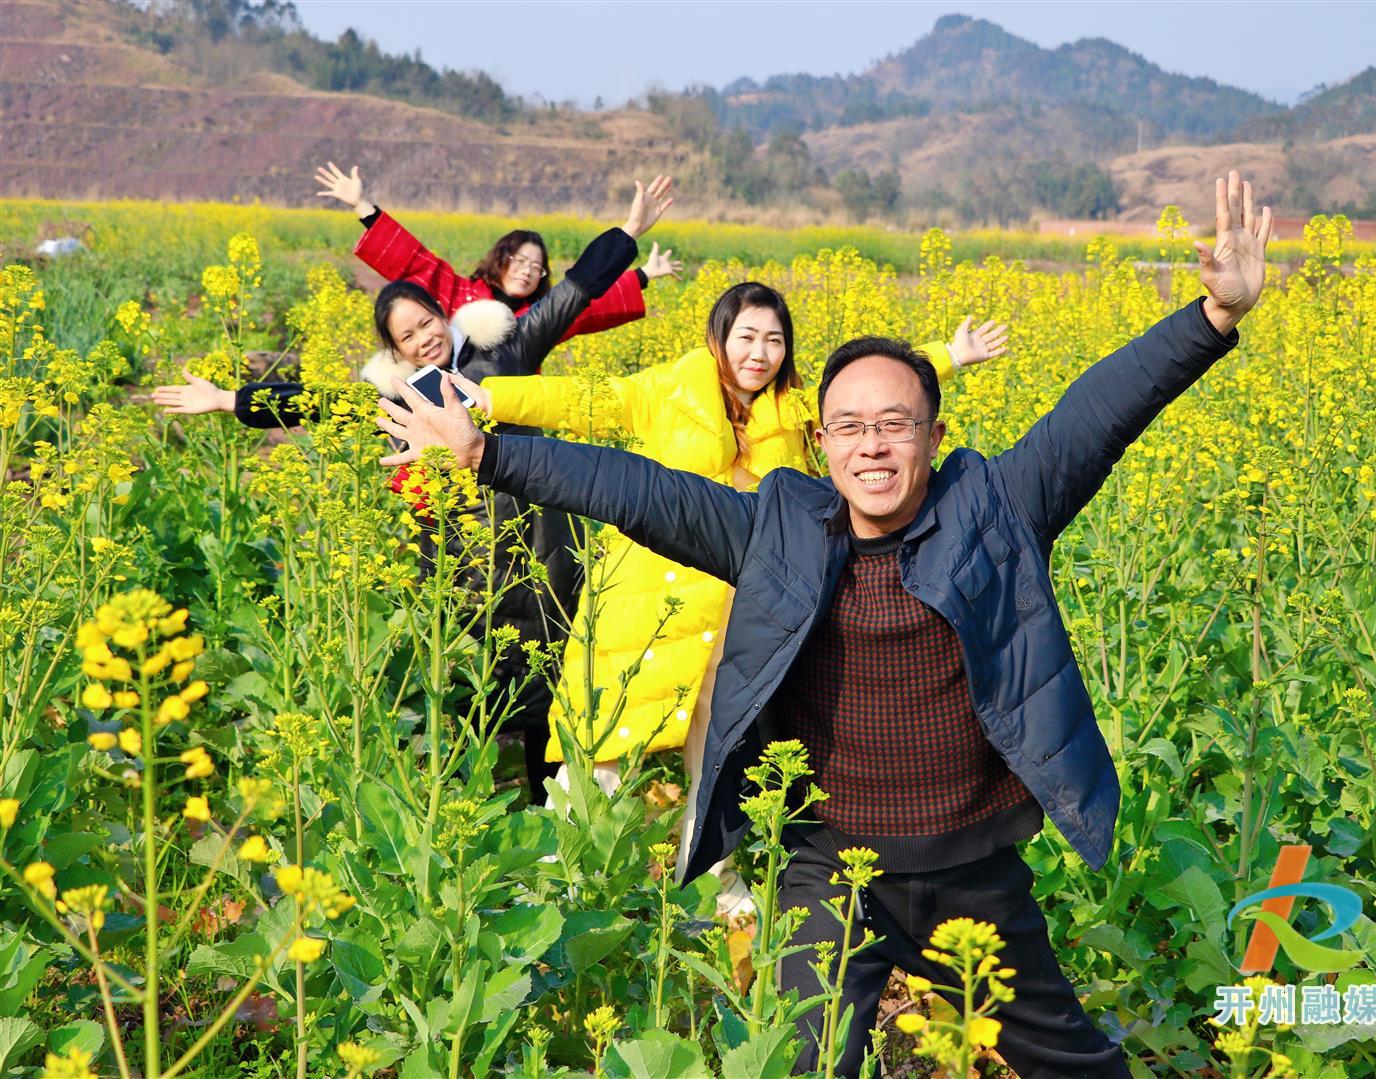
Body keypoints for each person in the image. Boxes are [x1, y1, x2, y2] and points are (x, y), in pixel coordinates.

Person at [373, 171, 1271, 1078]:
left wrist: (1213, 317)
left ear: (933, 432)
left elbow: (1099, 412)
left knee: (1069, 1062)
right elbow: (635, 488)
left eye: (894, 424)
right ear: (823, 440)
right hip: (829, 869)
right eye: (848, 426)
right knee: (800, 1061)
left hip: (971, 868)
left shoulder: (996, 503)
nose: (871, 445)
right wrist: (488, 453)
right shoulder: (778, 526)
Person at [466, 281, 1007, 913]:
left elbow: (870, 402)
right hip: (647, 601)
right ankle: (556, 882)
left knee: (718, 751)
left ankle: (710, 887)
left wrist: (949, 353)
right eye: (747, 336)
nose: (760, 352)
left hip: (734, 608)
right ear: (719, 337)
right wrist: (485, 395)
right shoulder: (664, 390)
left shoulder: (795, 410)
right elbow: (581, 397)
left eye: (774, 340)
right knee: (602, 741)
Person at [152, 178, 675, 805]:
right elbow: (318, 404)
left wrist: (629, 231)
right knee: (478, 677)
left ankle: (552, 813)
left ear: (445, 317)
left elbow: (572, 293)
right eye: (407, 336)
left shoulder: (507, 349)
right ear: (396, 351)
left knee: (552, 673)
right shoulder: (400, 398)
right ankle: (477, 812)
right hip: (461, 555)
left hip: (543, 541)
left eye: (427, 322)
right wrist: (228, 400)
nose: (424, 337)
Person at [314, 162, 681, 341]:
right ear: (499, 260)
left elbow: (585, 302)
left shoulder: (536, 320)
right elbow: (413, 261)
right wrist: (363, 205)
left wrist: (643, 274)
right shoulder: (458, 294)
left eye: (536, 267)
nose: (526, 270)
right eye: (519, 260)